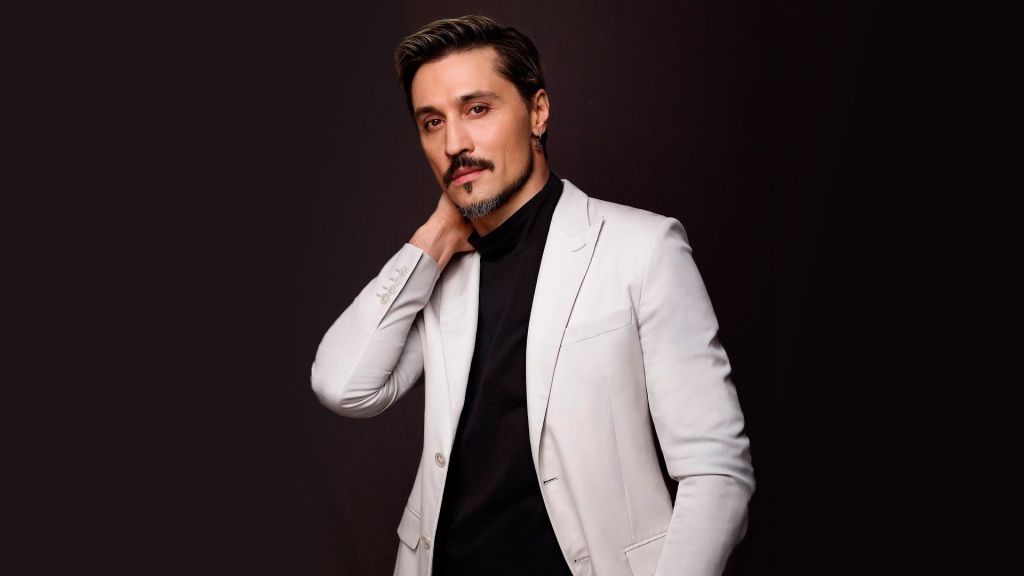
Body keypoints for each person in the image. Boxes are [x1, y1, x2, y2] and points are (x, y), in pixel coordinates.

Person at [310, 14, 754, 576]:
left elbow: (717, 471)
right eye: (432, 122)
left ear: (537, 112)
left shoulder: (641, 248)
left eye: (477, 109)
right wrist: (436, 235)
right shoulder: (441, 273)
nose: (454, 144)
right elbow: (343, 384)